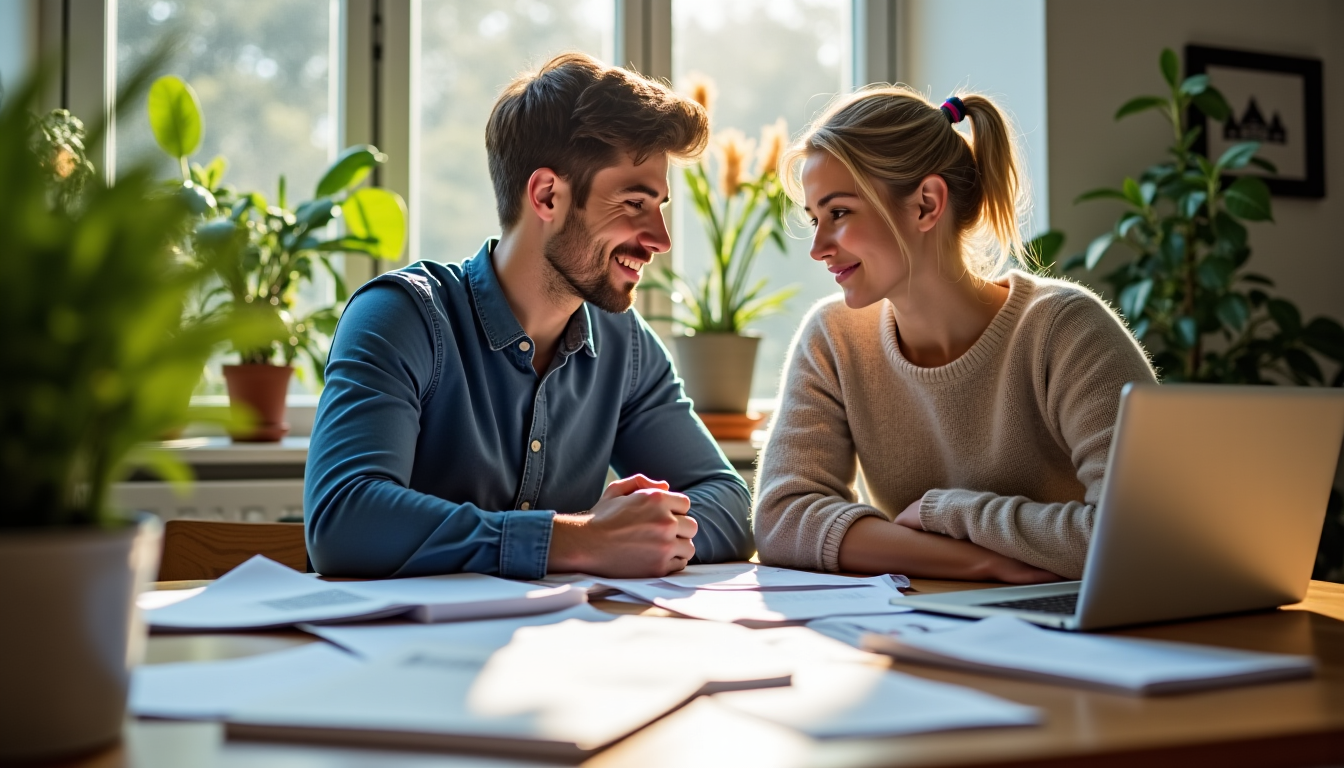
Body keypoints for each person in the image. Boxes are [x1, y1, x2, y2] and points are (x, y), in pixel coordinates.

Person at [304, 53, 754, 580]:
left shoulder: (625, 346)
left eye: (660, 207)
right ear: (547, 195)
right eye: (634, 203)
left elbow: (731, 504)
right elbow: (344, 520)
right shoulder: (401, 317)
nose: (660, 239)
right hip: (397, 656)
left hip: (556, 650)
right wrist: (580, 540)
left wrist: (638, 536)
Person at [754, 89, 1156, 582]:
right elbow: (781, 520)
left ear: (925, 204)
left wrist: (950, 513)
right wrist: (983, 562)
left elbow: (1140, 537)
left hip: (1082, 632)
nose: (817, 247)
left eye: (838, 213)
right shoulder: (834, 338)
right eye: (815, 219)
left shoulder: (1064, 330)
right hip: (933, 618)